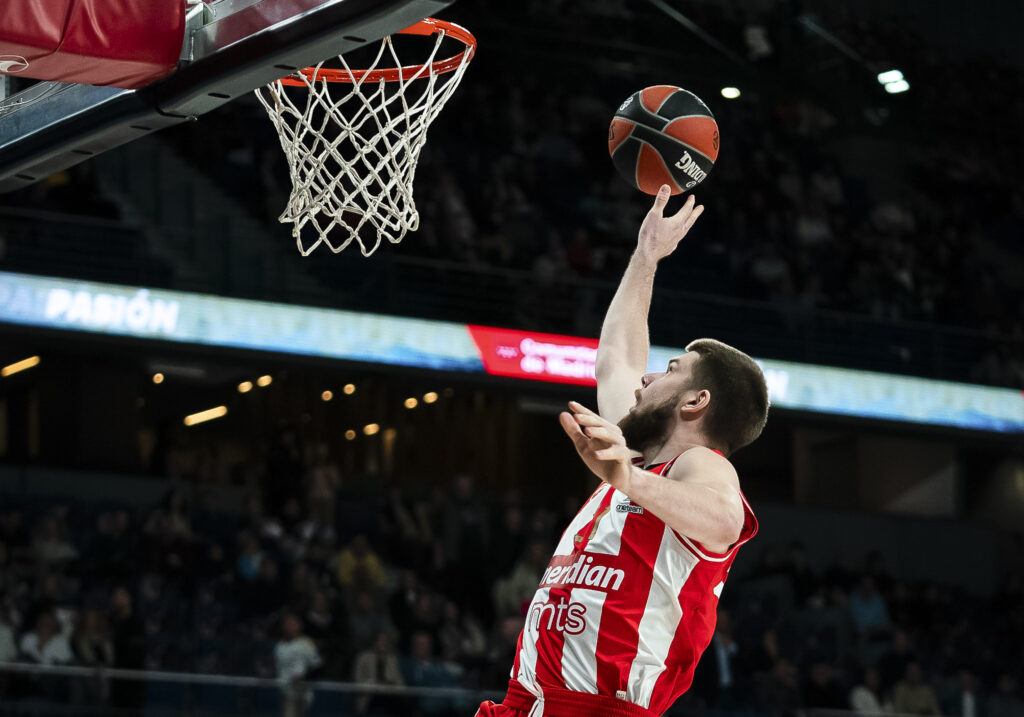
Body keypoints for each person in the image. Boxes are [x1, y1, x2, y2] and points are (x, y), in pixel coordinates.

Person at [476, 186, 769, 717]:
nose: (651, 374)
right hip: (529, 700)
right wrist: (646, 256)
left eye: (671, 371)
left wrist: (629, 482)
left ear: (696, 402)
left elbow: (727, 520)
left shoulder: (697, 465)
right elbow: (615, 357)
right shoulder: (638, 453)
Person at [274, 613, 323, 717]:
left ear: (299, 625)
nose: (289, 627)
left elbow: (317, 667)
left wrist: (303, 677)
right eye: (287, 624)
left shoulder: (306, 643)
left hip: (302, 694)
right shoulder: (279, 646)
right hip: (284, 693)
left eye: (293, 623)